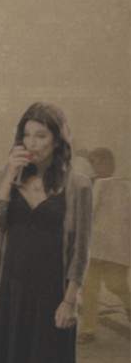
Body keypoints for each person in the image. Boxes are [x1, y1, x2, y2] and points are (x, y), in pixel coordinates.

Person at [0, 102, 92, 363]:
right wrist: (8, 177)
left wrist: (70, 300)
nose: (32, 143)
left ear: (57, 140)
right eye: (27, 135)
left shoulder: (77, 184)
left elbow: (81, 248)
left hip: (52, 295)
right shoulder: (11, 175)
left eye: (41, 135)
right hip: (12, 291)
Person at [78, 147, 130, 344]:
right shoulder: (85, 187)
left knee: (116, 284)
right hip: (91, 246)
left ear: (113, 165)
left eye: (105, 163)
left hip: (116, 245)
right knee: (89, 288)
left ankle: (129, 304)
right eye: (97, 164)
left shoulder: (124, 187)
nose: (101, 167)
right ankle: (89, 329)